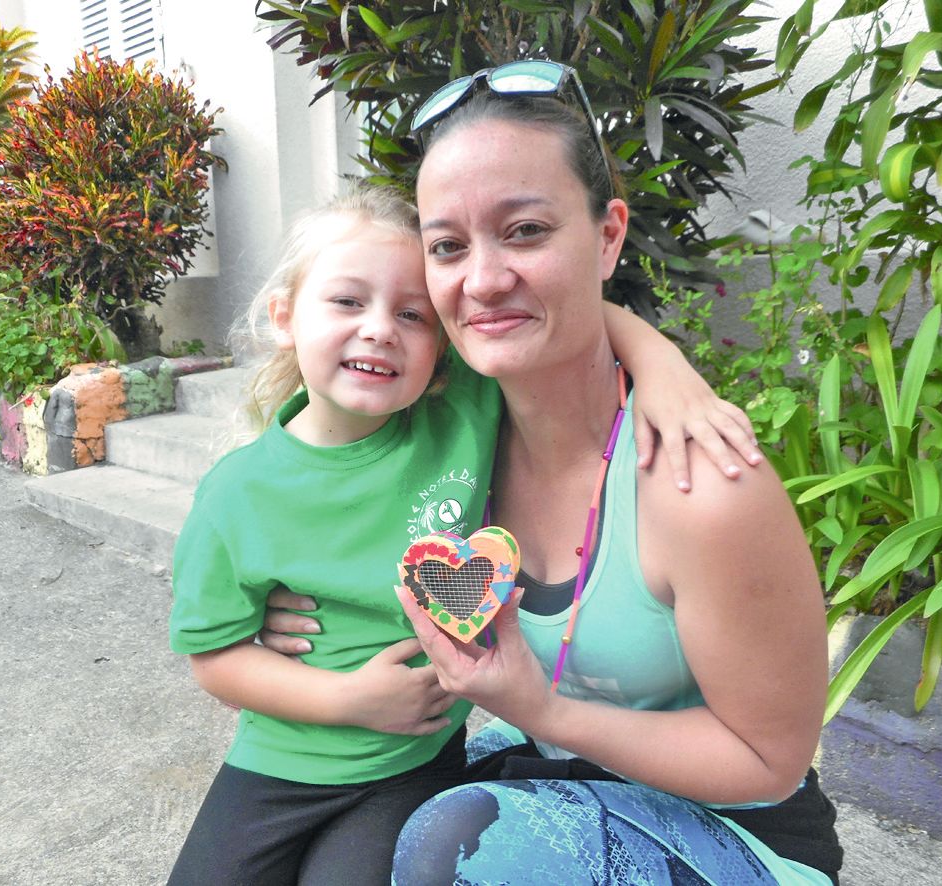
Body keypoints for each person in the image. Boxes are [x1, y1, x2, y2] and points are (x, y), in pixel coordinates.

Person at [262, 61, 842, 884]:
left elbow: (766, 761)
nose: (483, 277)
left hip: (732, 838)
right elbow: (314, 449)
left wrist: (540, 710)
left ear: (607, 236)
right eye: (448, 247)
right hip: (540, 784)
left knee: (454, 840)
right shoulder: (449, 438)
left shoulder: (699, 486)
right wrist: (279, 601)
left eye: (526, 230)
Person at [166, 184, 762, 886]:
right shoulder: (238, 492)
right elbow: (214, 657)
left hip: (410, 770)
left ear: (441, 347)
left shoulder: (461, 413)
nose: (380, 328)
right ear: (285, 317)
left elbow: (576, 316)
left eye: (412, 315)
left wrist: (665, 371)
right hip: (277, 769)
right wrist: (349, 700)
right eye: (347, 302)